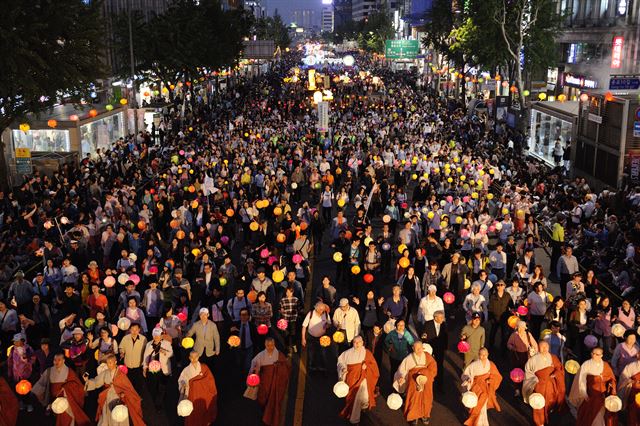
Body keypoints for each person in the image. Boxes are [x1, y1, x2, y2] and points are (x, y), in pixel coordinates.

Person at [83, 353, 145, 426]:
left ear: (115, 362)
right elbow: (97, 382)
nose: (108, 365)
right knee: (106, 416)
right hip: (107, 398)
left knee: (117, 418)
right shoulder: (105, 373)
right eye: (107, 363)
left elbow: (128, 388)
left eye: (110, 363)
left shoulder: (121, 375)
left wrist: (123, 394)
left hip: (117, 399)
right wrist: (87, 381)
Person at [32, 351, 91, 426]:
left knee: (66, 417)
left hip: (66, 399)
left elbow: (77, 385)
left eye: (59, 360)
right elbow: (41, 384)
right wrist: (36, 392)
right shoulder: (49, 371)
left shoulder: (69, 371)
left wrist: (65, 387)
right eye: (55, 360)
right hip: (53, 399)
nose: (56, 362)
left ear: (63, 361)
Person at [568, 347, 617, 426]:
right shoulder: (586, 364)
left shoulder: (606, 365)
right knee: (592, 417)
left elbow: (611, 378)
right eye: (593, 353)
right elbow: (581, 380)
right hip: (590, 395)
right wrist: (584, 393)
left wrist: (611, 384)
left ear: (601, 355)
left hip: (602, 395)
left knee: (601, 414)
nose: (594, 355)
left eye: (597, 354)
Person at [393, 340, 437, 426]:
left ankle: (425, 415)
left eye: (420, 348)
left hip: (425, 382)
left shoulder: (428, 356)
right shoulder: (409, 358)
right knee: (413, 399)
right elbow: (402, 369)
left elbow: (433, 366)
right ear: (413, 348)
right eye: (416, 348)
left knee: (427, 398)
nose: (419, 350)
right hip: (413, 382)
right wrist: (402, 377)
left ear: (423, 348)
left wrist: (426, 373)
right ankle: (414, 417)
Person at [337, 336, 379, 424]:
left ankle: (362, 407)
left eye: (359, 342)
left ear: (362, 342)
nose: (357, 344)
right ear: (353, 343)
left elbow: (374, 366)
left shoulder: (367, 353)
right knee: (355, 399)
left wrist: (367, 366)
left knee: (362, 397)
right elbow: (340, 362)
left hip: (364, 378)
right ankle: (354, 419)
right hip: (352, 380)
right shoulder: (347, 353)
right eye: (355, 342)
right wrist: (343, 369)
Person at [522, 341, 566, 425]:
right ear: (538, 348)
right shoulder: (533, 359)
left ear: (549, 348)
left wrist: (555, 373)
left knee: (551, 401)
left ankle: (549, 413)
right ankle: (539, 422)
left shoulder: (553, 357)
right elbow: (528, 372)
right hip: (539, 386)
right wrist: (535, 380)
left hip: (551, 385)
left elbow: (559, 368)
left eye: (546, 346)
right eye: (542, 347)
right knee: (539, 403)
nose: (544, 348)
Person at [250, 337, 291, 426]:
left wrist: (279, 366)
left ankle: (272, 418)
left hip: (276, 386)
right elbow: (253, 369)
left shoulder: (279, 355)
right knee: (263, 401)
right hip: (264, 385)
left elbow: (286, 367)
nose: (270, 347)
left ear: (274, 345)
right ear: (265, 345)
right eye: (268, 345)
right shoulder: (260, 356)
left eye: (272, 345)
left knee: (275, 402)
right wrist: (254, 374)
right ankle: (266, 416)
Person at [461, 347, 502, 426]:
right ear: (478, 355)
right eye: (481, 355)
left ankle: (482, 423)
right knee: (476, 406)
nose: (483, 357)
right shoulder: (474, 365)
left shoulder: (491, 364)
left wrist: (490, 380)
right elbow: (465, 374)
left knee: (482, 408)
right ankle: (476, 423)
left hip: (486, 389)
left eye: (485, 355)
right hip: (476, 388)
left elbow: (497, 376)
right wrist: (469, 379)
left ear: (488, 355)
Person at [178, 350, 218, 426]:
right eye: (192, 357)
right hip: (192, 396)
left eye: (196, 357)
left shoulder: (204, 367)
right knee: (194, 413)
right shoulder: (186, 370)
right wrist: (183, 385)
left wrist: (195, 383)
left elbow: (210, 379)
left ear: (198, 357)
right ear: (189, 358)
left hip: (204, 394)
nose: (194, 359)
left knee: (205, 410)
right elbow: (182, 380)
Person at [142, 327, 173, 408]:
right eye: (155, 335)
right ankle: (159, 400)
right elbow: (146, 356)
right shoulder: (149, 344)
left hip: (164, 369)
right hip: (153, 368)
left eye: (158, 335)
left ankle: (159, 402)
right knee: (154, 385)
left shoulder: (166, 343)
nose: (156, 337)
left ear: (162, 336)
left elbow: (171, 354)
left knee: (162, 386)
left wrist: (164, 351)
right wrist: (145, 368)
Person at [507, 321, 538, 397]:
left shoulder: (528, 335)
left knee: (526, 373)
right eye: (519, 328)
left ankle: (524, 389)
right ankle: (517, 389)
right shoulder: (514, 335)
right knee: (516, 372)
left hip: (526, 356)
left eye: (522, 328)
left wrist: (534, 352)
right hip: (516, 356)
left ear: (525, 328)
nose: (521, 329)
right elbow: (508, 344)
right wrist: (511, 347)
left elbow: (535, 345)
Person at [7, 332, 35, 412]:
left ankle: (29, 403)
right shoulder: (12, 349)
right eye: (14, 341)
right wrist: (10, 373)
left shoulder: (28, 349)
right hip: (16, 375)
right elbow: (10, 362)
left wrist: (27, 359)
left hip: (26, 374)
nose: (14, 342)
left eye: (16, 341)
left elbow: (33, 360)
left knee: (27, 390)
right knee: (18, 389)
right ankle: (21, 402)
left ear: (22, 341)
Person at [301, 302, 331, 373]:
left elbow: (329, 324)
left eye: (323, 310)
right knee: (312, 353)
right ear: (316, 308)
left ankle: (323, 368)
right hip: (311, 337)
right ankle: (312, 368)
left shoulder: (326, 314)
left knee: (323, 353)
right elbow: (304, 326)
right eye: (320, 310)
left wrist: (327, 325)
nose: (322, 311)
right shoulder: (310, 314)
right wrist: (303, 338)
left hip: (322, 337)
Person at [423, 310, 448, 390]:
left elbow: (446, 336)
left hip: (440, 349)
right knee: (429, 366)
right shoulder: (428, 324)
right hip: (430, 349)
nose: (443, 319)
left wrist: (445, 347)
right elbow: (423, 334)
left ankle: (440, 386)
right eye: (441, 317)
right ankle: (429, 384)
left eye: (443, 317)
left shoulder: (444, 324)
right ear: (435, 317)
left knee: (440, 367)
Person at [384, 319, 415, 384]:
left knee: (402, 371)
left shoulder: (407, 333)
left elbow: (412, 342)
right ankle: (393, 384)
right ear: (395, 326)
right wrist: (390, 346)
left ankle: (402, 386)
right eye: (399, 325)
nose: (401, 327)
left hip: (404, 356)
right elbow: (386, 341)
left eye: (402, 325)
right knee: (394, 370)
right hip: (394, 356)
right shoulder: (392, 333)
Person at [118, 322, 147, 389]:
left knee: (138, 384)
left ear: (139, 330)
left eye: (136, 329)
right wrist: (122, 352)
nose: (134, 331)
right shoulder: (125, 338)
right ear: (129, 330)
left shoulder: (143, 339)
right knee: (129, 383)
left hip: (138, 365)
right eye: (132, 329)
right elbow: (121, 347)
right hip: (128, 365)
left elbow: (146, 351)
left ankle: (137, 397)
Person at [617, 356, 640, 426]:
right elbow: (623, 378)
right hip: (633, 393)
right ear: (638, 355)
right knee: (632, 413)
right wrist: (631, 381)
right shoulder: (631, 366)